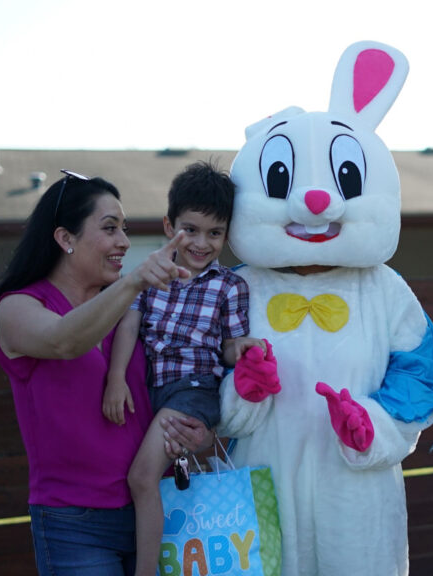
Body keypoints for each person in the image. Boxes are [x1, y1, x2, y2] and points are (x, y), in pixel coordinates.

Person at [0, 170, 214, 576]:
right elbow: (63, 341)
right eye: (109, 228)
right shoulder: (18, 309)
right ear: (65, 239)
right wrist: (136, 281)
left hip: (156, 515)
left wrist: (201, 439)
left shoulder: (135, 312)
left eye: (124, 228)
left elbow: (177, 392)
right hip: (74, 526)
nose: (123, 241)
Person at [103, 161, 265, 576]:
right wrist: (116, 378)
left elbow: (227, 348)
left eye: (215, 233)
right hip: (152, 389)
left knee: (142, 478)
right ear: (168, 225)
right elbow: (130, 323)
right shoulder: (151, 275)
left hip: (193, 389)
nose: (202, 242)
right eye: (190, 229)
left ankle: (145, 572)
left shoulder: (230, 285)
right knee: (150, 480)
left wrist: (241, 348)